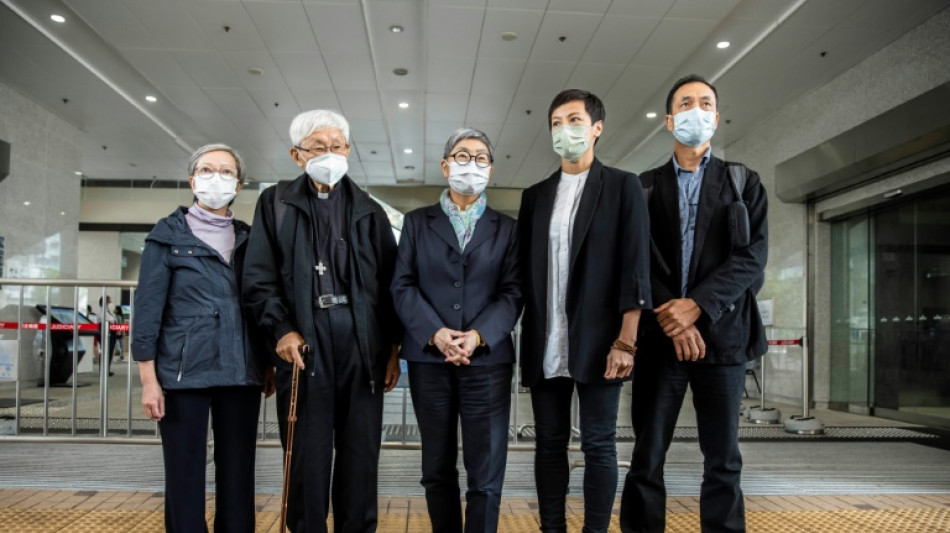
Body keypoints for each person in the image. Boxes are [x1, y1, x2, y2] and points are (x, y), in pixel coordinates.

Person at [619, 74, 769, 533]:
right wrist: (675, 316)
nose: (696, 111)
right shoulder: (643, 186)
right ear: (669, 120)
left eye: (705, 103)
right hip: (661, 339)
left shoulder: (743, 182)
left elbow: (751, 260)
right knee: (647, 454)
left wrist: (697, 306)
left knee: (723, 458)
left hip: (723, 340)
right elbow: (636, 261)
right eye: (686, 103)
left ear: (717, 118)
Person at [243, 109, 402, 532]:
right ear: (297, 155)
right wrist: (280, 330)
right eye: (318, 147)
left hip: (362, 343)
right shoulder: (275, 203)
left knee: (360, 457)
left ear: (348, 150)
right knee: (306, 458)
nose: (329, 154)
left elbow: (390, 286)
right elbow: (258, 278)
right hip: (304, 343)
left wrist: (393, 350)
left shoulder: (370, 210)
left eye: (336, 146)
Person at [517, 89, 652, 533]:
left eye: (573, 120)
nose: (563, 130)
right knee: (549, 444)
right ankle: (551, 528)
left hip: (602, 340)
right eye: (556, 122)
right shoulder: (535, 196)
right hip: (546, 337)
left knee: (599, 443)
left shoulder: (622, 186)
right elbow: (522, 271)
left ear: (596, 128)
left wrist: (625, 340)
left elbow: (635, 267)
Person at [133, 143, 273, 532]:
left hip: (240, 371)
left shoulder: (251, 239)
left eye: (226, 172)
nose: (216, 178)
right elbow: (147, 312)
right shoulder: (165, 238)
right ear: (192, 179)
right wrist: (149, 380)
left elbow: (262, 303)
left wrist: (267, 362)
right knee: (184, 472)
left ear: (239, 184)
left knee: (238, 471)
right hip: (183, 374)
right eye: (207, 170)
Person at [391, 128, 522, 533]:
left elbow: (513, 291)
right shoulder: (416, 223)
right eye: (463, 156)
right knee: (436, 467)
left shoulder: (508, 228)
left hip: (487, 361)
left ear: (491, 169)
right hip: (430, 360)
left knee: (485, 473)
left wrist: (478, 335)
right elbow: (402, 284)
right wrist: (437, 333)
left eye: (481, 158)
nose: (472, 165)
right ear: (446, 165)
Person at [99, 296, 117, 376]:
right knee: (105, 351)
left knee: (109, 352)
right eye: (109, 301)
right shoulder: (102, 312)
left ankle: (107, 369)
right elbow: (111, 321)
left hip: (112, 333)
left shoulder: (109, 311)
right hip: (106, 333)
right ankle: (103, 370)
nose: (111, 303)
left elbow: (114, 320)